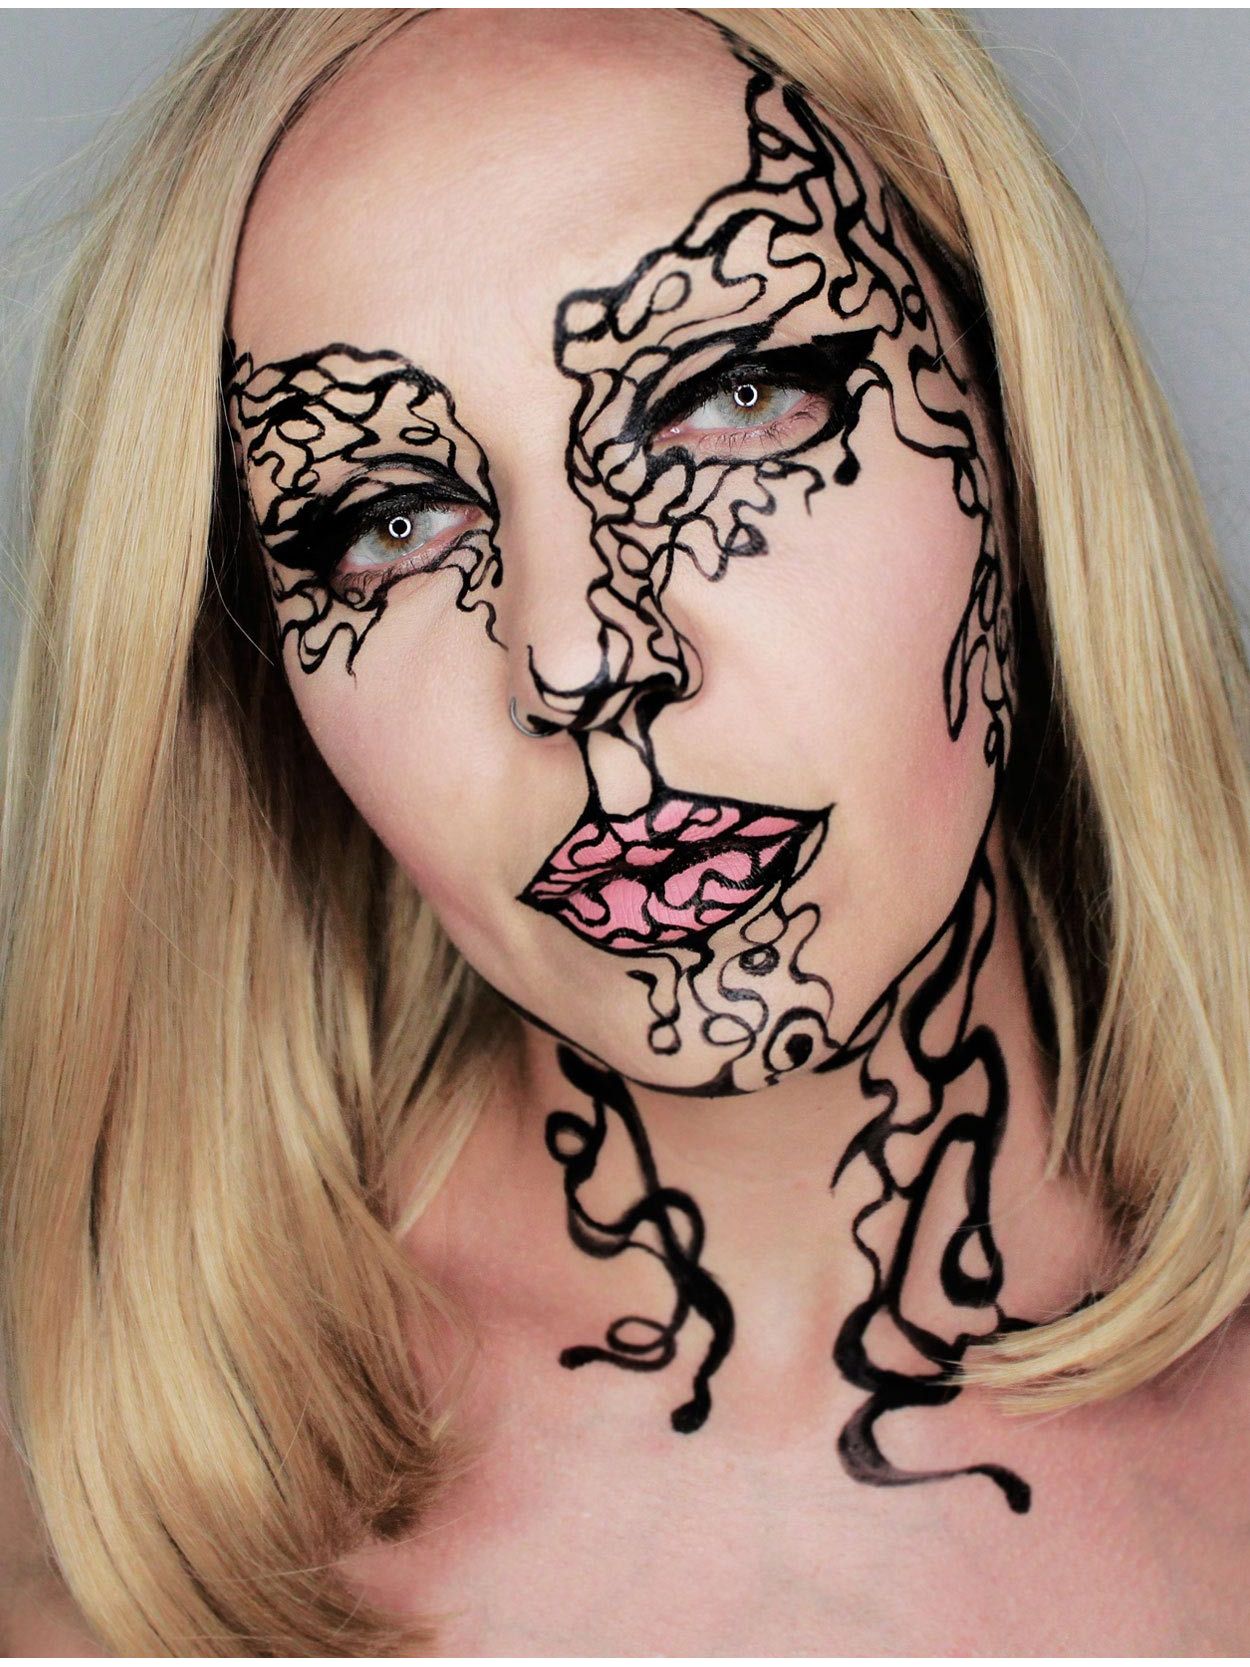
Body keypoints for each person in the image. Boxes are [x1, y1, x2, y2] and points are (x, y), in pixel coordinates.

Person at [2, 7, 1249, 1656]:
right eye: (391, 520)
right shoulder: (92, 1536)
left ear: (1015, 428)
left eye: (731, 398)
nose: (578, 656)